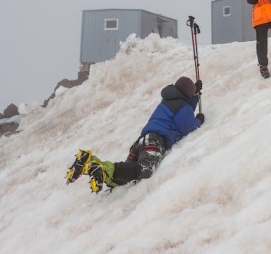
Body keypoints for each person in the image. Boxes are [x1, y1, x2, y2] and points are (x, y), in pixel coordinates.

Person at [66, 76, 204, 193]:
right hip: (155, 142)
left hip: (142, 141)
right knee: (144, 169)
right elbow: (187, 126)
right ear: (187, 94)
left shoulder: (168, 100)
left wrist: (194, 96)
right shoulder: (183, 108)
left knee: (125, 176)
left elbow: (184, 112)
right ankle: (101, 168)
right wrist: (199, 119)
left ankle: (90, 162)